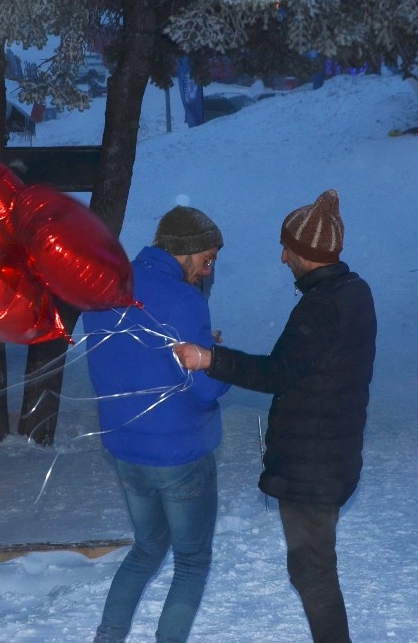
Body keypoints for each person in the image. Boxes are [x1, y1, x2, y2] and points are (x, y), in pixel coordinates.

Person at [174, 189, 376, 643]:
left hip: (313, 465)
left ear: (307, 253)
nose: (283, 256)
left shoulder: (324, 306)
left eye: (289, 248)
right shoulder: (352, 291)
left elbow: (277, 372)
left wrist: (210, 359)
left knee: (312, 572)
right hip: (331, 454)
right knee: (312, 569)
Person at [82, 205, 230, 643]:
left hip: (126, 450)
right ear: (184, 253)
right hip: (180, 453)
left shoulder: (107, 285)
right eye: (207, 260)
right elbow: (205, 389)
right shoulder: (185, 299)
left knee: (146, 548)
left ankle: (108, 637)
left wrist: (199, 345)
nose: (207, 272)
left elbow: (126, 358)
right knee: (190, 562)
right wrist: (216, 360)